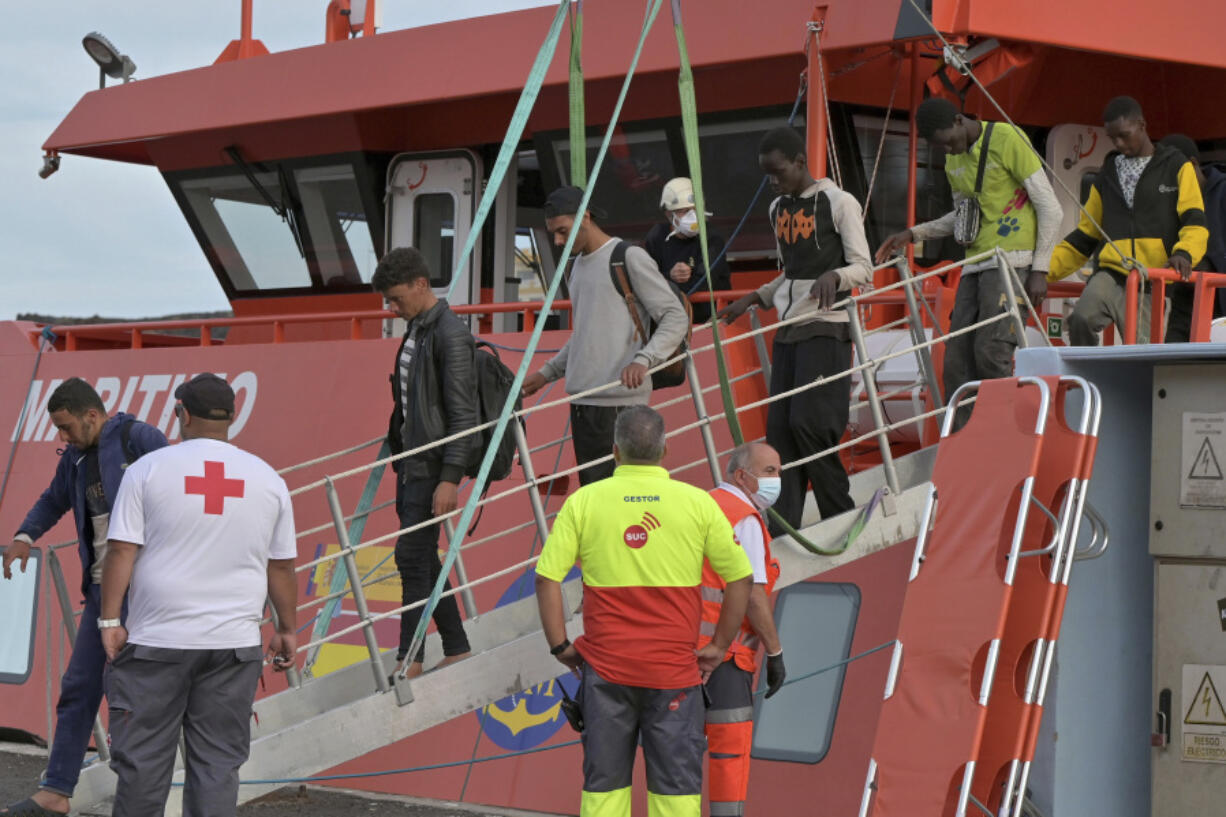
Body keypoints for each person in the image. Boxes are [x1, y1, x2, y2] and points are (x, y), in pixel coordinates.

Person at [534, 406, 753, 817]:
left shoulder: (584, 502)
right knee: (675, 794)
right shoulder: (697, 503)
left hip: (605, 673)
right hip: (673, 674)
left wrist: (561, 645)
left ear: (614, 451)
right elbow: (740, 578)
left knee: (604, 791)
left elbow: (547, 579)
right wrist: (720, 645)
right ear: (665, 449)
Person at [98, 373, 297, 817]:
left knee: (143, 766)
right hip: (233, 648)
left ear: (182, 413)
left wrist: (110, 621)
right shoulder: (268, 479)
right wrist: (287, 629)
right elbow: (280, 566)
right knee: (217, 766)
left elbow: (122, 550)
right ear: (232, 417)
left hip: (157, 645)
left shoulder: (147, 471)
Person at [1, 378, 166, 817]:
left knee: (129, 694)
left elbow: (180, 493)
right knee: (79, 687)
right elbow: (52, 501)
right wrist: (23, 536)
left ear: (92, 415)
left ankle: (137, 796)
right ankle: (56, 790)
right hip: (101, 593)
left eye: (66, 426)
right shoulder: (73, 459)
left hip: (146, 593)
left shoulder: (139, 439)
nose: (62, 437)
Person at [718, 126, 874, 532]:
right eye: (767, 175)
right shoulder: (777, 210)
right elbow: (791, 274)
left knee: (811, 423)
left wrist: (836, 278)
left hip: (827, 326)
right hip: (788, 329)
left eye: (779, 172)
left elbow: (864, 267)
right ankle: (783, 526)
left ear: (800, 163)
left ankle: (837, 512)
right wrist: (755, 297)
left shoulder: (839, 202)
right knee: (780, 432)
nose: (773, 181)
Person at [875, 97, 1061, 418]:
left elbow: (1051, 208)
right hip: (975, 266)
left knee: (992, 352)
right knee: (956, 362)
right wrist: (913, 234)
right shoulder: (953, 160)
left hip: (1011, 263)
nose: (947, 151)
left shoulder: (1007, 139)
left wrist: (1040, 269)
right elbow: (962, 218)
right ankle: (961, 441)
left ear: (960, 121)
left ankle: (1000, 433)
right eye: (939, 148)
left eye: (947, 142)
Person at [523, 186, 689, 485]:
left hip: (622, 404)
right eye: (554, 234)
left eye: (563, 231)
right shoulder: (576, 267)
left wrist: (644, 360)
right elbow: (585, 333)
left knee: (624, 496)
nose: (559, 241)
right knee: (598, 495)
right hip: (585, 404)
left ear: (585, 217)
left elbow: (674, 316)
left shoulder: (628, 256)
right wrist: (545, 374)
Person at [373, 247, 474, 679]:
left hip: (432, 467)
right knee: (423, 558)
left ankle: (409, 658)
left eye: (396, 299)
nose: (392, 309)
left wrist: (450, 478)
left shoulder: (449, 334)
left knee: (411, 556)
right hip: (411, 463)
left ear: (420, 284)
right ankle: (456, 646)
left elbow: (463, 414)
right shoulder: (418, 327)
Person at [1049, 96, 1208, 345]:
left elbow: (1195, 220)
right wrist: (1042, 270)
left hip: (1152, 278)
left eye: (1124, 135)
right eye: (1113, 138)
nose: (1119, 143)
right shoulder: (1107, 173)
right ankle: (1090, 377)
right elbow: (1086, 235)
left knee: (1142, 349)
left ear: (1142, 125)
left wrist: (1185, 253)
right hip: (1112, 272)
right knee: (1081, 318)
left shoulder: (1176, 165)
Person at [702, 442, 788, 817]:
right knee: (729, 749)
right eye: (769, 472)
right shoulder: (744, 518)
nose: (776, 480)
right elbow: (753, 595)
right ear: (741, 475)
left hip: (678, 646)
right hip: (725, 653)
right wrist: (775, 652)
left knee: (678, 749)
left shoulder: (702, 505)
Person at [1157, 134, 1226, 342]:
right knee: (1171, 361)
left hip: (1220, 298)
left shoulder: (1223, 191)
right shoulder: (1169, 200)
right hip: (1185, 297)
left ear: (1193, 164)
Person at [643, 176, 732, 324]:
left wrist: (666, 282)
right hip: (669, 321)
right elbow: (646, 280)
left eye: (696, 209)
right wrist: (670, 275)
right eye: (684, 211)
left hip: (709, 322)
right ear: (668, 214)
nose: (693, 216)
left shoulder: (712, 239)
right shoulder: (657, 237)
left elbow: (702, 283)